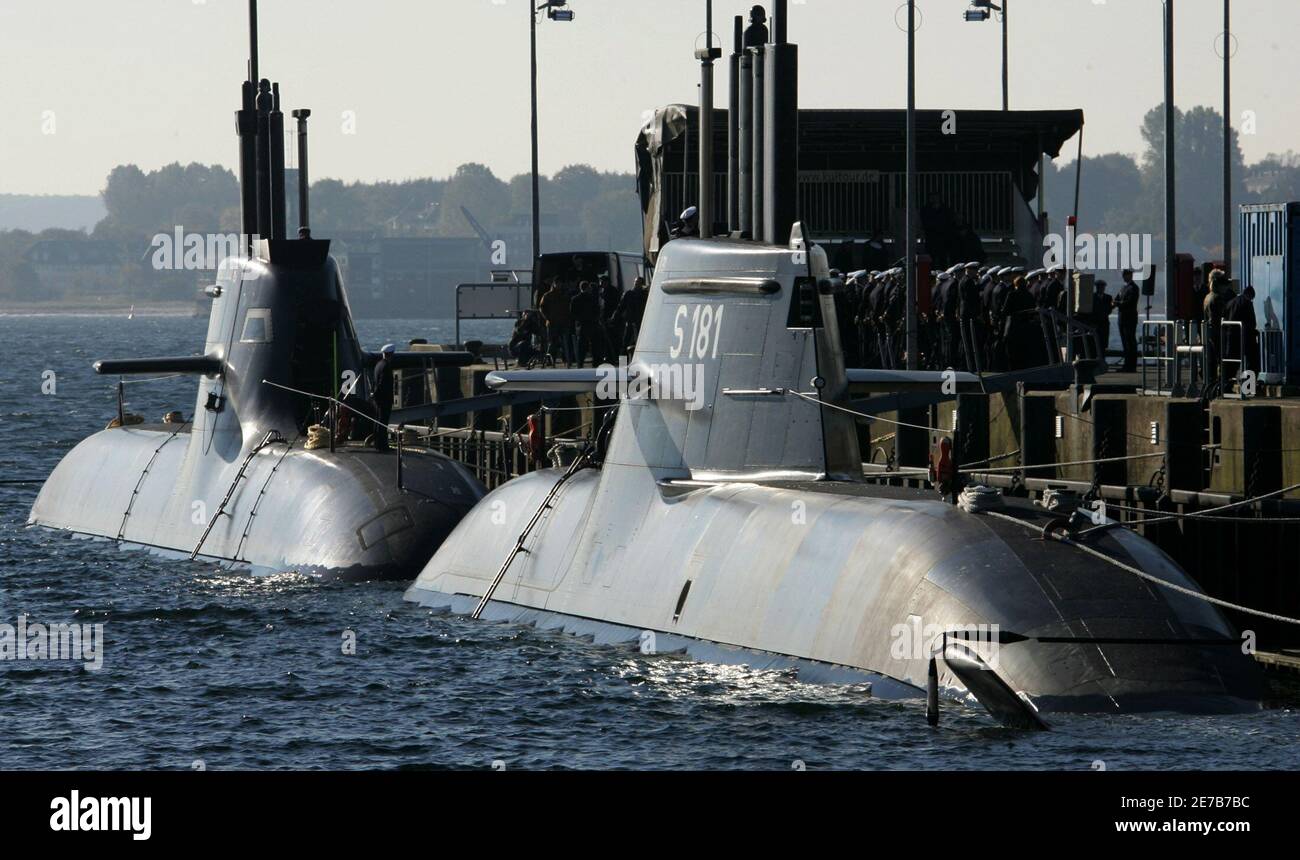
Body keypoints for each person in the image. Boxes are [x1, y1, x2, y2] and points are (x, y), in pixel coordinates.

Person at [1226, 285, 1259, 375]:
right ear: (1250, 295)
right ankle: (1249, 386)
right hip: (1245, 337)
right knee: (1252, 362)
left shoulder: (1230, 302)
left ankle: (1226, 385)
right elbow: (1252, 322)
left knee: (1232, 363)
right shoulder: (1247, 303)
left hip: (1230, 337)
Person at [538, 279, 573, 365]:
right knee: (552, 343)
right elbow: (542, 308)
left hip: (563, 322)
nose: (559, 285)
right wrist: (548, 318)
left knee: (565, 342)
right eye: (557, 283)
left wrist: (568, 318)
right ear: (554, 284)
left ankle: (566, 359)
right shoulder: (548, 295)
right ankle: (550, 360)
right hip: (552, 323)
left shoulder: (564, 295)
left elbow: (568, 308)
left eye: (560, 283)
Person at [570, 280, 603, 367]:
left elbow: (572, 313)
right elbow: (598, 310)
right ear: (588, 288)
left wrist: (579, 320)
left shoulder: (575, 299)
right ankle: (596, 363)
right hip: (593, 324)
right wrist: (596, 319)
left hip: (582, 325)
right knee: (595, 345)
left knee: (582, 346)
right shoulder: (593, 298)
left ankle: (580, 363)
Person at [370, 344, 396, 451]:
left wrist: (373, 394)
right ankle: (382, 445)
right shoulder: (386, 366)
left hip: (377, 399)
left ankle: (377, 443)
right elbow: (382, 384)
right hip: (384, 399)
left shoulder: (378, 365)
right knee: (383, 422)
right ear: (391, 354)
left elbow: (375, 382)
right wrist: (377, 394)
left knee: (378, 421)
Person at [1116, 268, 1141, 373]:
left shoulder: (1134, 288)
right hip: (1122, 318)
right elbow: (1117, 298)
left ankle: (1131, 365)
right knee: (1125, 343)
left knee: (1130, 342)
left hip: (1129, 319)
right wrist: (1115, 302)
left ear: (1130, 275)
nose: (1124, 277)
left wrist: (1117, 303)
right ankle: (1127, 364)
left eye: (1126, 275)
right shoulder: (1123, 288)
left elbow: (1129, 302)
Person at [1092, 279, 1114, 361]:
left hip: (1104, 324)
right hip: (1095, 324)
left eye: (1102, 287)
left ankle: (1102, 361)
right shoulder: (1092, 297)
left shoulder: (1108, 298)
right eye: (1099, 287)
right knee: (1094, 343)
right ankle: (1095, 361)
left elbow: (1109, 310)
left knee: (1103, 344)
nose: (1101, 288)